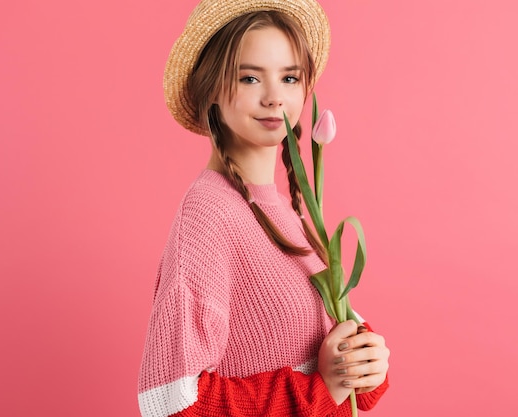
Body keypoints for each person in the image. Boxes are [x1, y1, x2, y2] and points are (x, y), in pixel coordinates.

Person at [138, 0, 390, 416]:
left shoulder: (286, 210)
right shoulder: (208, 215)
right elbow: (170, 401)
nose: (275, 97)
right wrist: (321, 388)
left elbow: (314, 363)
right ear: (211, 89)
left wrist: (364, 363)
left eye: (289, 77)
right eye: (251, 77)